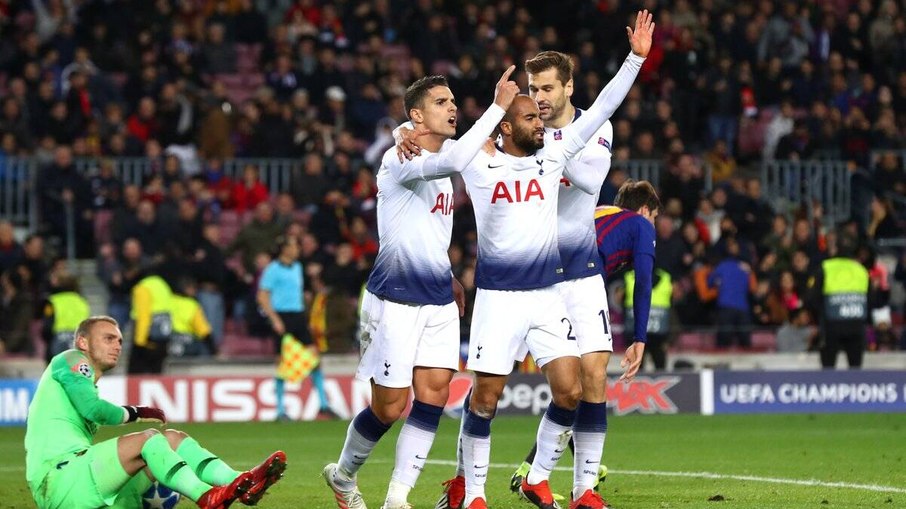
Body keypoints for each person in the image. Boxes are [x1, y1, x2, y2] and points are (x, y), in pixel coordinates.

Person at [434, 12, 652, 509]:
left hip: (558, 284)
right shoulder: (482, 158)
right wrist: (410, 131)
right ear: (511, 122)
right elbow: (438, 143)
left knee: (577, 386)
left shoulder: (556, 152)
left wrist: (636, 59)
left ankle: (568, 485)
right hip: (499, 294)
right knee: (484, 396)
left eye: (545, 97)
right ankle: (471, 492)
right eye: (531, 105)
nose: (542, 109)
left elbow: (600, 110)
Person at [322, 66, 520, 509]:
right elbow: (449, 159)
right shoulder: (400, 158)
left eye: (453, 102)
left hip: (437, 297)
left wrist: (446, 272)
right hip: (393, 298)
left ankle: (397, 498)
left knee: (433, 394)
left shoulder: (434, 158)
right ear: (416, 114)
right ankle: (343, 475)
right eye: (441, 103)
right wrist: (497, 107)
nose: (453, 108)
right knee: (390, 408)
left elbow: (428, 226)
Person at [24, 316, 285, 509]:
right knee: (149, 438)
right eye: (108, 338)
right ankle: (207, 497)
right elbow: (94, 410)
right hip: (58, 480)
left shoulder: (84, 384)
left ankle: (242, 482)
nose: (117, 345)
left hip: (82, 485)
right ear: (82, 341)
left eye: (120, 340)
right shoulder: (70, 359)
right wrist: (136, 412)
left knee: (172, 439)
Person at [257, 234, 336, 420]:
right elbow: (262, 296)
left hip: (298, 317)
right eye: (293, 246)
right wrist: (274, 319)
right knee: (282, 363)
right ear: (284, 248)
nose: (297, 249)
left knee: (314, 358)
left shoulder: (298, 267)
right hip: (282, 317)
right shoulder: (272, 269)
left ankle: (323, 405)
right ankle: (280, 411)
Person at [810, 237, 870, 368]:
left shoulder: (825, 267)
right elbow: (869, 298)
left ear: (835, 249)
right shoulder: (861, 270)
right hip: (856, 325)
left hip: (831, 325)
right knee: (855, 370)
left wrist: (821, 315)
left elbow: (813, 298)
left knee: (828, 371)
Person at [128, 273, 173, 374]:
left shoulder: (143, 288)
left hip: (148, 339)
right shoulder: (163, 285)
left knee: (136, 377)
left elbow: (144, 315)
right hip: (163, 337)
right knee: (156, 374)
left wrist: (139, 342)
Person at [42, 274, 91, 363]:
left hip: (58, 339)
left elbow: (47, 325)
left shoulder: (52, 301)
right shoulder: (82, 301)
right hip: (78, 339)